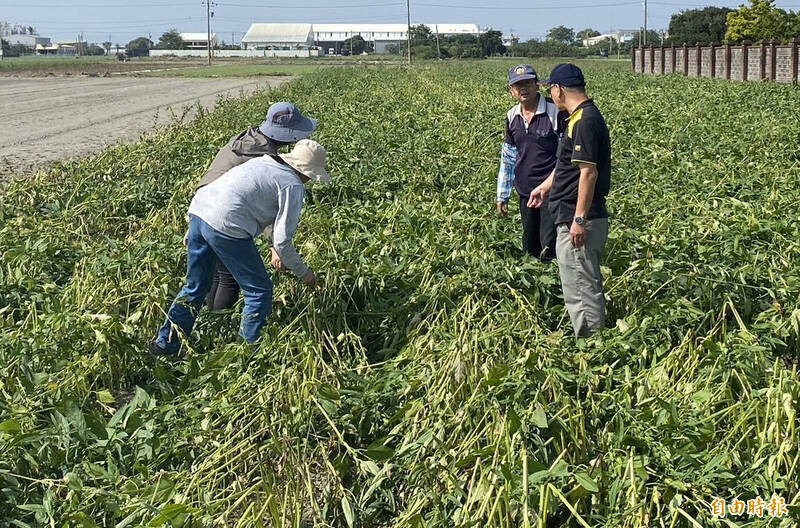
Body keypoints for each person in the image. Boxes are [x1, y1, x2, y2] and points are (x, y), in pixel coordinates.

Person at [151, 139, 331, 358]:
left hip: (200, 211)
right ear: (307, 172)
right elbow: (283, 240)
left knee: (195, 286)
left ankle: (164, 346)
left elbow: (224, 188)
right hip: (226, 225)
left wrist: (193, 229)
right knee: (259, 291)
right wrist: (305, 274)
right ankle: (245, 355)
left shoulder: (266, 161)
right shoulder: (291, 185)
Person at [198, 102, 318, 311]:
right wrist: (275, 246)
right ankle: (222, 332)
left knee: (217, 274)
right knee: (232, 280)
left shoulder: (247, 139)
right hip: (222, 218)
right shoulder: (262, 157)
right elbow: (266, 200)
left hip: (203, 209)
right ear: (289, 134)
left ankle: (211, 327)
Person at [528, 64, 611, 337]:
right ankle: (588, 340)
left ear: (559, 89)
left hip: (578, 219)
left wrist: (578, 219)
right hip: (572, 214)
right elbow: (569, 165)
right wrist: (545, 187)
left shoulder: (585, 120)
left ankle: (591, 350)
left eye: (550, 89)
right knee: (578, 283)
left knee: (582, 289)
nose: (550, 95)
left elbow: (588, 173)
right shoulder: (577, 118)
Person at [496, 64, 565, 262]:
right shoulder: (512, 116)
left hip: (552, 192)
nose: (523, 89)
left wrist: (552, 186)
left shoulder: (555, 112)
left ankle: (553, 288)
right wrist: (502, 195)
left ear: (537, 85)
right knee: (529, 245)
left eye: (527, 83)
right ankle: (535, 286)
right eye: (518, 86)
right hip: (526, 192)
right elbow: (508, 157)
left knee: (549, 246)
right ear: (511, 91)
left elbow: (565, 155)